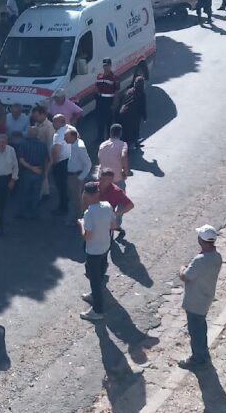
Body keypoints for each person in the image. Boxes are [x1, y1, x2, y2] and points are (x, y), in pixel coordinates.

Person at [177, 225, 223, 370]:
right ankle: (203, 353)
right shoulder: (217, 256)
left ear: (201, 240)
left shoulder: (200, 260)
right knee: (200, 327)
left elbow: (185, 276)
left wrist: (181, 268)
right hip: (206, 298)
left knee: (195, 331)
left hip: (195, 301)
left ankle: (197, 359)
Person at [78, 183, 116, 321]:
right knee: (99, 275)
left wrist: (81, 224)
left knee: (94, 280)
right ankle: (94, 295)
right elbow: (113, 226)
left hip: (93, 250)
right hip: (105, 246)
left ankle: (97, 310)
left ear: (86, 195)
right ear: (98, 192)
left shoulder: (89, 213)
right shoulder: (107, 206)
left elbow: (87, 236)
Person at [17, 126, 49, 218]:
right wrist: (45, 173)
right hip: (39, 172)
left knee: (24, 193)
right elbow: (46, 160)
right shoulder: (43, 145)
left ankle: (23, 213)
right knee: (36, 194)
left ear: (29, 134)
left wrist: (31, 168)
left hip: (26, 172)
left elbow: (21, 160)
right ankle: (34, 213)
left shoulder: (23, 144)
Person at [64, 128, 92, 226]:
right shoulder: (74, 144)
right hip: (72, 175)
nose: (64, 140)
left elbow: (88, 164)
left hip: (75, 176)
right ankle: (75, 217)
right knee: (73, 197)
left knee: (77, 199)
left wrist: (80, 178)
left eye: (66, 138)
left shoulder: (79, 147)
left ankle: (79, 219)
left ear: (72, 137)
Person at [95, 168, 134, 237]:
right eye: (101, 178)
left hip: (107, 220)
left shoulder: (116, 192)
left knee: (106, 242)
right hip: (93, 217)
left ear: (111, 180)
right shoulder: (93, 187)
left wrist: (115, 214)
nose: (101, 181)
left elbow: (130, 205)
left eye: (105, 180)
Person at [116, 76, 147, 150]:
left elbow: (121, 100)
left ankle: (124, 145)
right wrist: (145, 117)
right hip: (134, 115)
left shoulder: (129, 91)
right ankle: (135, 143)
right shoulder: (141, 94)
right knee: (135, 129)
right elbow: (143, 106)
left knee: (125, 130)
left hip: (123, 113)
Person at [31, 105, 55, 200]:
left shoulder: (49, 127)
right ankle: (45, 192)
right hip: (38, 153)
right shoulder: (37, 124)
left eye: (37, 116)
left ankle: (41, 196)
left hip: (45, 155)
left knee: (43, 174)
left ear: (43, 115)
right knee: (43, 175)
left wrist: (50, 158)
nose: (35, 118)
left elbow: (50, 143)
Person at [51, 114, 72, 215]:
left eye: (54, 122)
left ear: (61, 122)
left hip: (62, 162)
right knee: (67, 184)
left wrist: (54, 163)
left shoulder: (59, 134)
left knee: (61, 185)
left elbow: (55, 150)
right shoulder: (71, 129)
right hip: (72, 160)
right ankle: (67, 203)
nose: (53, 124)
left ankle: (63, 207)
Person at [98, 124, 129, 189]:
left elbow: (99, 159)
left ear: (110, 133)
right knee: (120, 195)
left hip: (103, 176)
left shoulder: (102, 145)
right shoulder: (123, 144)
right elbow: (123, 156)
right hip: (116, 177)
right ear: (121, 133)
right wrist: (125, 172)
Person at [95, 58, 118, 141]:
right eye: (104, 65)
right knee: (100, 120)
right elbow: (96, 87)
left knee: (109, 121)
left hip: (109, 101)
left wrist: (114, 103)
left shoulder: (114, 77)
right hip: (100, 100)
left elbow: (116, 91)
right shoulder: (99, 76)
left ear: (110, 66)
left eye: (107, 65)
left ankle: (109, 138)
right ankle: (99, 137)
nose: (106, 67)